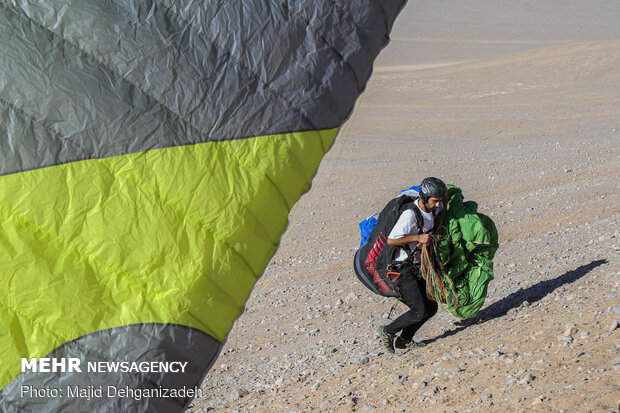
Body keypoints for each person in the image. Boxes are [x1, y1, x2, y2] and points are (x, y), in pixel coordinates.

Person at [379, 177, 447, 353]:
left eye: (440, 201)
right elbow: (392, 240)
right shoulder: (410, 215)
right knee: (418, 310)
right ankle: (388, 331)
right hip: (402, 269)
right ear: (425, 198)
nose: (438, 205)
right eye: (435, 201)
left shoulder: (433, 210)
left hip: (416, 267)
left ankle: (404, 340)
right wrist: (417, 238)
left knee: (431, 308)